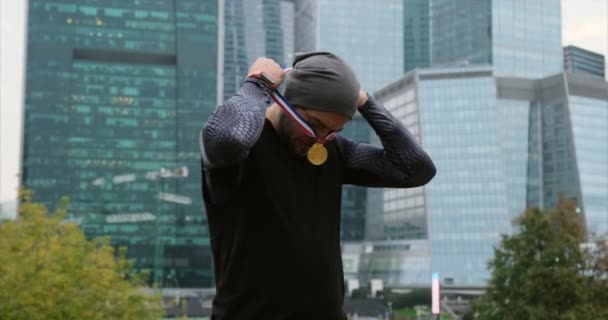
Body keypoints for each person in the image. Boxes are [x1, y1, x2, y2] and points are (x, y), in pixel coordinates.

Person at [199, 52, 436, 319]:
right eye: (315, 124)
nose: (319, 139)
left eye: (332, 130)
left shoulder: (334, 150)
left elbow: (416, 170)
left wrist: (364, 102)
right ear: (289, 101)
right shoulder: (239, 151)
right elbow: (227, 138)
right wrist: (257, 84)